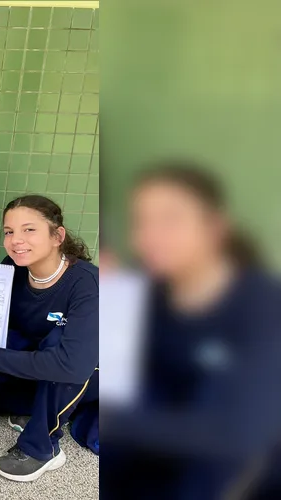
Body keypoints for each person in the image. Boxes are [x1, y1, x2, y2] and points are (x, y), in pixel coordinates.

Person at [103, 164, 281, 499]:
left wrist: (122, 423)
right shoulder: (146, 297)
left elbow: (240, 433)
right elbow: (116, 392)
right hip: (149, 466)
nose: (149, 236)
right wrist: (112, 306)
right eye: (141, 221)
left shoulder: (265, 306)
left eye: (170, 219)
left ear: (216, 227)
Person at [0, 194, 98, 482]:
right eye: (9, 232)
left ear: (57, 236)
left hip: (89, 373)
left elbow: (74, 365)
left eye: (29, 229)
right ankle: (38, 408)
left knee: (57, 344)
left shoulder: (88, 283)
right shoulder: (15, 268)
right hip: (42, 367)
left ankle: (43, 447)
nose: (16, 239)